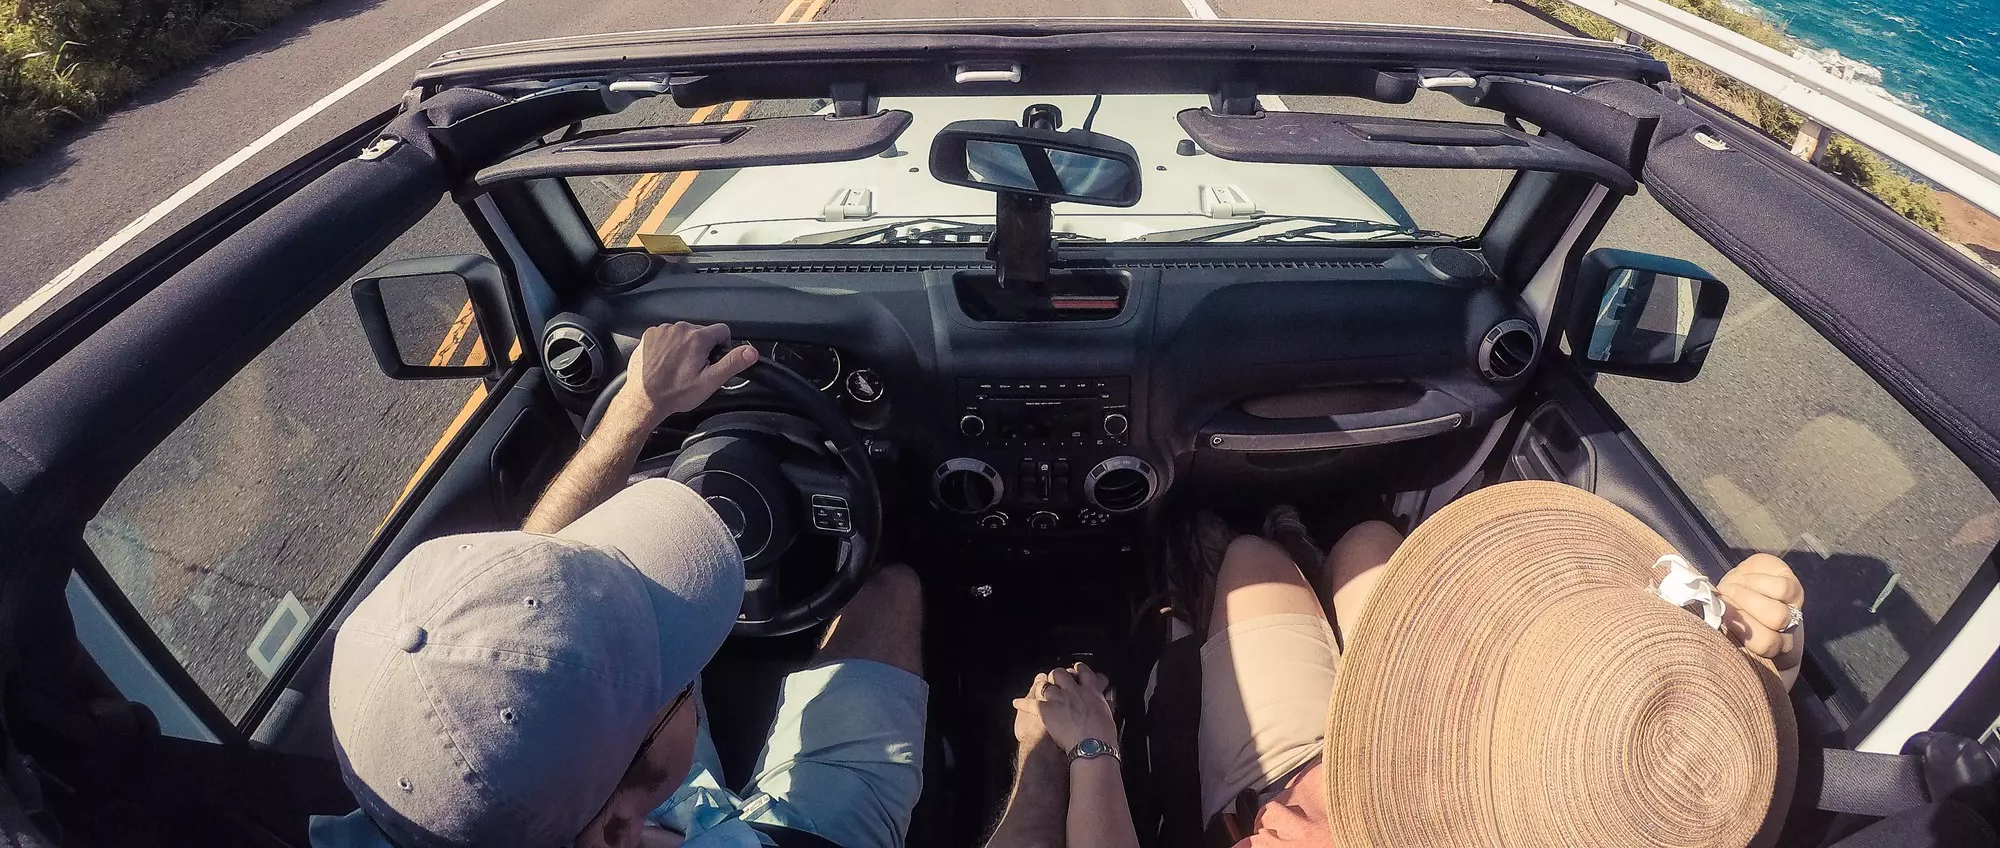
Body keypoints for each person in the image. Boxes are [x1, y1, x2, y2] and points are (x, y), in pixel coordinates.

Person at [311, 321, 927, 848]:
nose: (681, 677)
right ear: (614, 830)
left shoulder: (418, 810)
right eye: (667, 684)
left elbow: (531, 586)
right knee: (892, 590)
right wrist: (1030, 768)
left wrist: (638, 406)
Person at [1011, 481, 1811, 848]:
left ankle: (1268, 554)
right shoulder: (1644, 810)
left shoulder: (1281, 828)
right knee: (1369, 549)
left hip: (1295, 766)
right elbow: (1682, 769)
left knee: (1250, 560)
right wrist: (1749, 665)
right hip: (1457, 719)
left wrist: (1090, 748)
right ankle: (1304, 556)